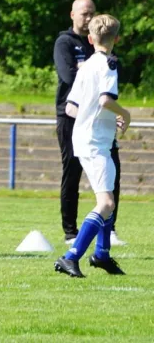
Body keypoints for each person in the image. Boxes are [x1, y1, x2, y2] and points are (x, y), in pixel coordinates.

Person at [54, 14, 128, 278]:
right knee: (106, 202)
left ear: (90, 38)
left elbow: (72, 108)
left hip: (87, 137)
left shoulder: (85, 66)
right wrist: (124, 114)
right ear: (116, 39)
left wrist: (105, 117)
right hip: (95, 142)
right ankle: (70, 256)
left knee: (105, 196)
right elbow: (106, 100)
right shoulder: (109, 64)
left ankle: (102, 255)